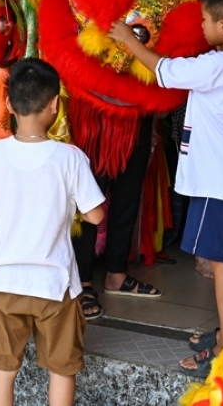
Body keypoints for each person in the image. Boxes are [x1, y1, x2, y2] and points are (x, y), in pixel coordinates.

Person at [108, 0, 223, 378]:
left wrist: (129, 39)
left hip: (219, 181)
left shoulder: (219, 65)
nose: (201, 27)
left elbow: (165, 71)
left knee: (221, 260)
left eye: (205, 20)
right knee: (222, 256)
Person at [0, 59, 107, 406]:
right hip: (54, 284)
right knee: (61, 370)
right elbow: (97, 216)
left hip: (5, 281)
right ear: (55, 104)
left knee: (2, 370)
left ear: (9, 104)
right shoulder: (70, 158)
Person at [73, 116, 162, 322]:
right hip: (95, 110)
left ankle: (116, 273)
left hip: (137, 107)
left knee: (128, 196)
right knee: (88, 198)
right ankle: (82, 281)